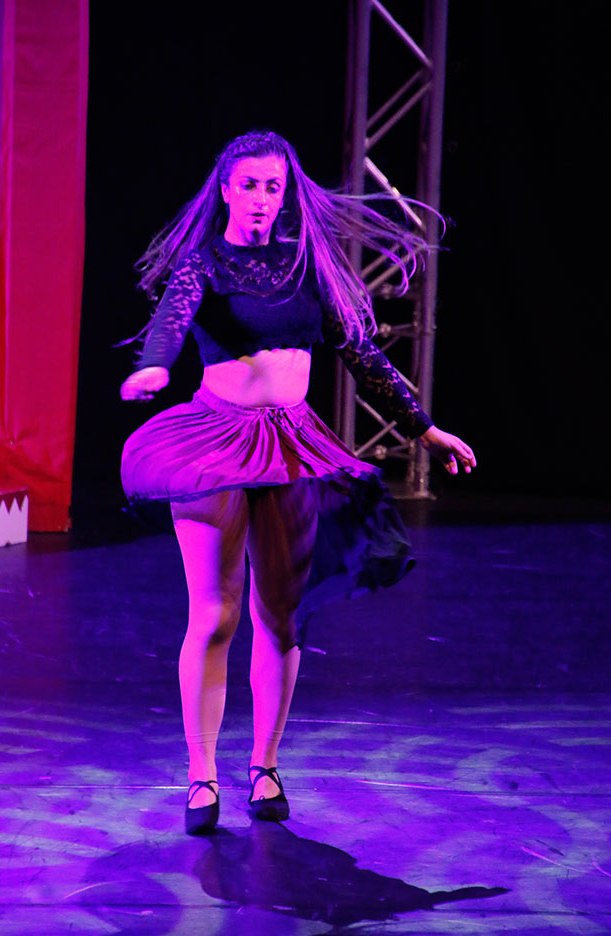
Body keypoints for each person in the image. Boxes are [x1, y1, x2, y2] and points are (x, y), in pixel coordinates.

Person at [120, 131, 475, 835]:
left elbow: (361, 353)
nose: (261, 199)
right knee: (214, 614)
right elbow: (172, 317)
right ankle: (201, 774)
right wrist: (155, 364)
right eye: (249, 185)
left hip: (290, 446)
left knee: (280, 616)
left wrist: (423, 428)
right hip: (216, 443)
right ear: (227, 189)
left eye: (273, 187)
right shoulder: (204, 261)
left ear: (285, 195)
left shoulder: (307, 263)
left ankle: (266, 765)